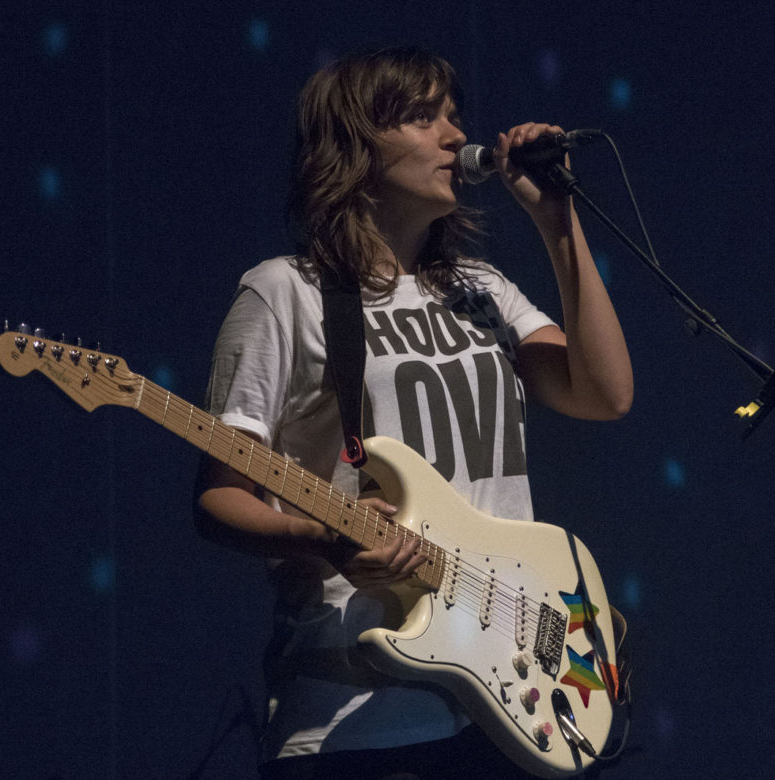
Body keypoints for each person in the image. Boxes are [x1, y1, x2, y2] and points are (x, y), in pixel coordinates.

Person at [195, 47, 632, 779]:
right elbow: (217, 495)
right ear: (355, 148)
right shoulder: (285, 293)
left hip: (507, 699)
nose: (455, 136)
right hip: (354, 721)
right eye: (422, 117)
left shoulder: (482, 290)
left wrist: (557, 222)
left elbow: (604, 392)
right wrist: (321, 537)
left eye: (453, 116)